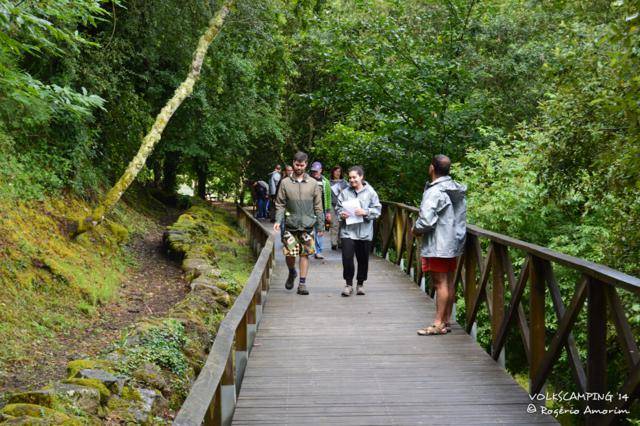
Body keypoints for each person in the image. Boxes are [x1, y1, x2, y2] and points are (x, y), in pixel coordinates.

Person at [412, 155, 467, 335]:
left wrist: (415, 229)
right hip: (453, 242)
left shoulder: (435, 191)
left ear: (432, 168)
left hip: (438, 243)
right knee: (449, 282)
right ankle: (446, 321)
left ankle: (437, 324)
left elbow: (426, 220)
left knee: (440, 283)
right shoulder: (454, 188)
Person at [274, 152, 324, 295]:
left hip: (308, 225)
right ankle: (292, 272)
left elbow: (318, 206)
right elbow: (280, 204)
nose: (299, 168)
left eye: (302, 165)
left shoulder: (313, 183)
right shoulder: (285, 183)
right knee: (290, 254)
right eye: (297, 165)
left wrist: (320, 225)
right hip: (290, 224)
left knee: (304, 254)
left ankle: (302, 284)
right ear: (293, 163)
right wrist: (278, 220)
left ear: (306, 164)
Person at [336, 166, 381, 297]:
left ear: (361, 177)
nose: (352, 180)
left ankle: (360, 284)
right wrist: (341, 214)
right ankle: (348, 284)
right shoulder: (345, 193)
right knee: (347, 258)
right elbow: (338, 208)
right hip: (348, 231)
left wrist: (365, 212)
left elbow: (377, 210)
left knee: (363, 260)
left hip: (364, 232)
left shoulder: (371, 192)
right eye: (350, 178)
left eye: (354, 177)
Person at [309, 161, 332, 260]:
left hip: (321, 210)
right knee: (308, 230)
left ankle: (318, 252)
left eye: (316, 171)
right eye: (313, 171)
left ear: (321, 170)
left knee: (320, 231)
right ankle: (310, 250)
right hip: (308, 209)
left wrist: (328, 212)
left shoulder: (325, 182)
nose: (314, 173)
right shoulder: (308, 180)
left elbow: (328, 197)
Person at [329, 166, 348, 250]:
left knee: (342, 224)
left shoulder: (344, 182)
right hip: (332, 205)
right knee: (334, 224)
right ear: (333, 172)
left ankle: (340, 242)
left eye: (339, 171)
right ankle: (333, 242)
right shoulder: (329, 183)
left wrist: (342, 192)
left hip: (342, 206)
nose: (337, 173)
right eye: (336, 171)